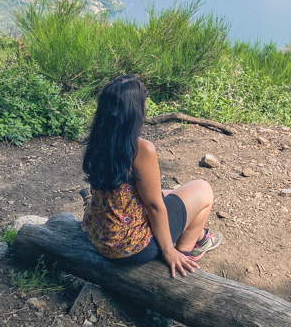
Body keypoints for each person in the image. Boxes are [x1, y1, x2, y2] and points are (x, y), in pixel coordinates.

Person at [81, 75, 222, 278]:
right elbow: (154, 206)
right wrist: (168, 251)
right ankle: (183, 255)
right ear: (134, 111)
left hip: (97, 234)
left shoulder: (99, 139)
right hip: (129, 248)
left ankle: (200, 237)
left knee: (172, 193)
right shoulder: (140, 148)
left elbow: (106, 186)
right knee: (203, 190)